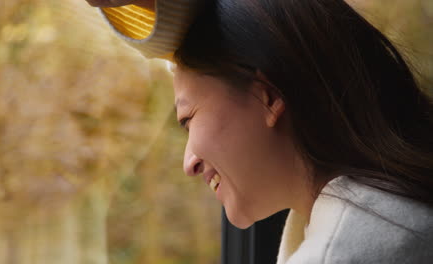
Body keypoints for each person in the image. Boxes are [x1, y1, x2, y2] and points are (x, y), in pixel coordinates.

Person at [86, 0, 433, 263]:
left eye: (188, 118)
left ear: (267, 97)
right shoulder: (397, 217)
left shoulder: (352, 250)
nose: (188, 163)